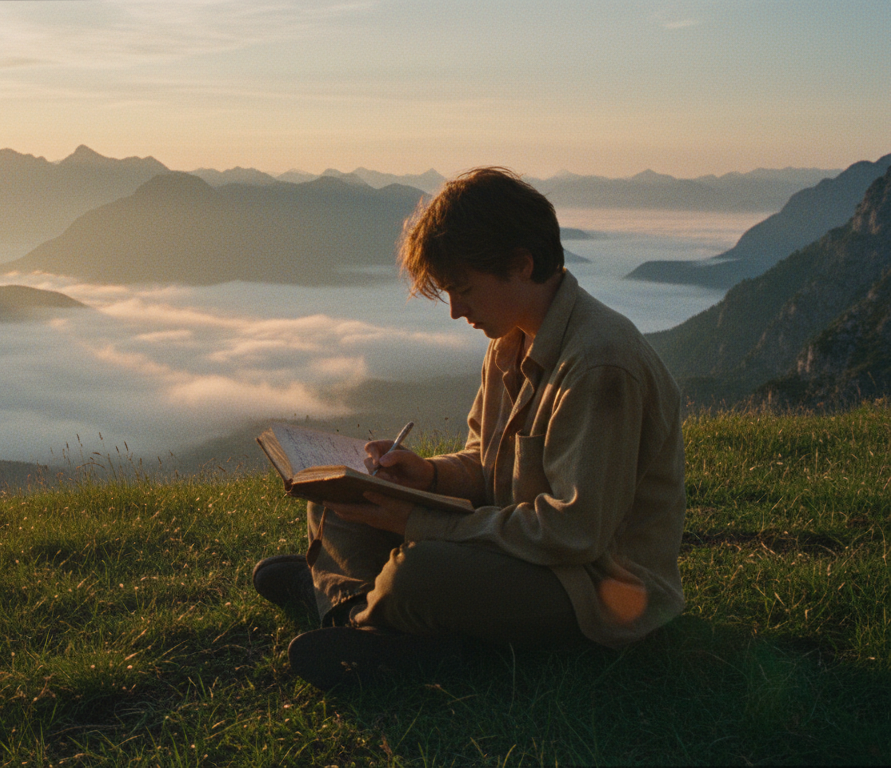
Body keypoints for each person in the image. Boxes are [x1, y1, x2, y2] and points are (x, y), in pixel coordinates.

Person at [252, 167, 686, 690]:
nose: (457, 311)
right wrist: (426, 476)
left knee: (421, 571)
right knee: (336, 494)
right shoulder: (510, 340)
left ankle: (347, 603)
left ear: (521, 265)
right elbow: (485, 462)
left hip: (593, 589)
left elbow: (575, 535)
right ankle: (367, 614)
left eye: (464, 291)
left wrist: (420, 524)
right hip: (520, 548)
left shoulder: (599, 366)